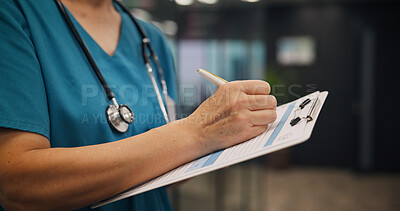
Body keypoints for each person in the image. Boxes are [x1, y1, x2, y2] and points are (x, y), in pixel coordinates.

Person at [0, 0, 277, 210]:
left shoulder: (151, 40)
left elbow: (162, 167)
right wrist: (197, 133)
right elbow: (16, 184)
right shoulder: (15, 16)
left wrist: (214, 148)